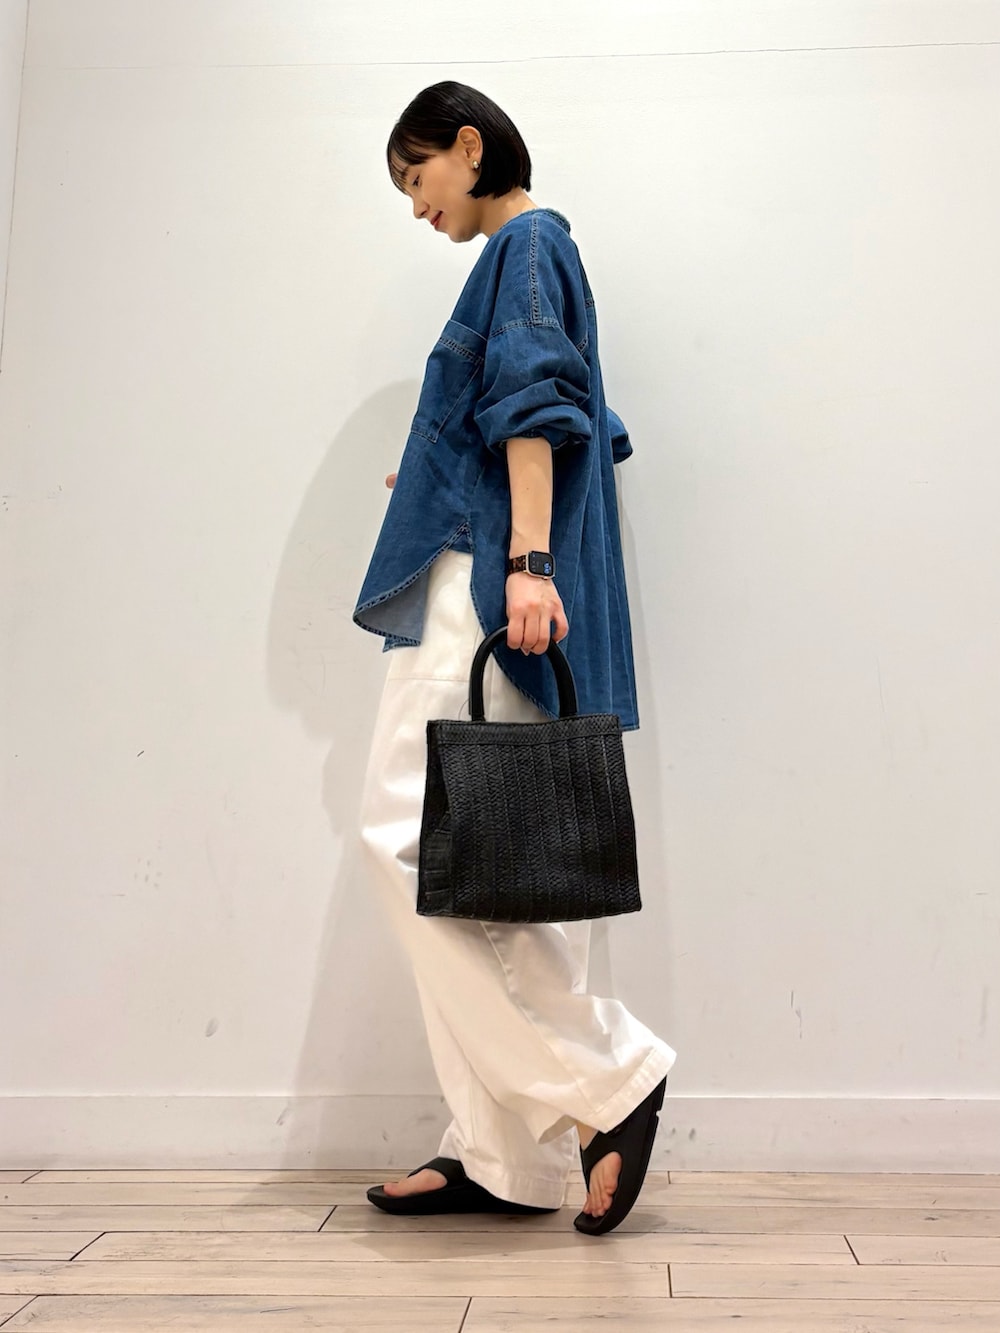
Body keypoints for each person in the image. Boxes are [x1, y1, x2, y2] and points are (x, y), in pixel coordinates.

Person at [353, 81, 676, 1236]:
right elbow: (560, 417)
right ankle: (501, 1159)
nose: (415, 204)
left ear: (468, 144)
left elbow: (541, 405)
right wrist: (449, 461)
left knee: (403, 835)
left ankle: (611, 1078)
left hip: (488, 579)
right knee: (478, 859)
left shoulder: (526, 245)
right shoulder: (536, 255)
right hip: (491, 554)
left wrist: (527, 556)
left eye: (417, 175)